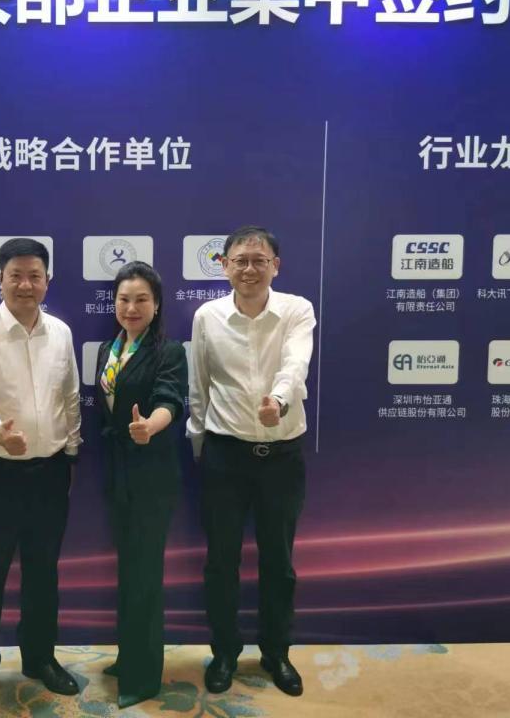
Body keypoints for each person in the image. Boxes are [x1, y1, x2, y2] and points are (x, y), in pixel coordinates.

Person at [0, 238, 82, 718]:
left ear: (48, 280)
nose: (25, 285)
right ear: (0, 280)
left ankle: (40, 658)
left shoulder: (61, 332)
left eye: (35, 276)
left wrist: (71, 451)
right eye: (16, 276)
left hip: (49, 474)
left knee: (43, 574)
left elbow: (70, 395)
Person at [187, 226, 316, 698]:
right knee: (221, 562)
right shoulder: (207, 316)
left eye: (259, 260)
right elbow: (199, 386)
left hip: (281, 456)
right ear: (224, 266)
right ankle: (224, 652)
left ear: (275, 266)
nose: (249, 269)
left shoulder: (297, 310)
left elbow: (296, 364)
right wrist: (201, 445)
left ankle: (276, 652)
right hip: (225, 455)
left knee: (278, 561)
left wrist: (278, 401)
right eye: (240, 260)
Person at [94, 261, 187, 709]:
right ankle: (128, 655)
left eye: (141, 300)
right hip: (118, 475)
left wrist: (151, 425)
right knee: (128, 571)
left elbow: (170, 399)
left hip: (151, 477)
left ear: (157, 304)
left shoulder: (169, 351)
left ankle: (145, 676)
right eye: (124, 299)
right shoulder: (109, 349)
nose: (131, 308)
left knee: (145, 576)